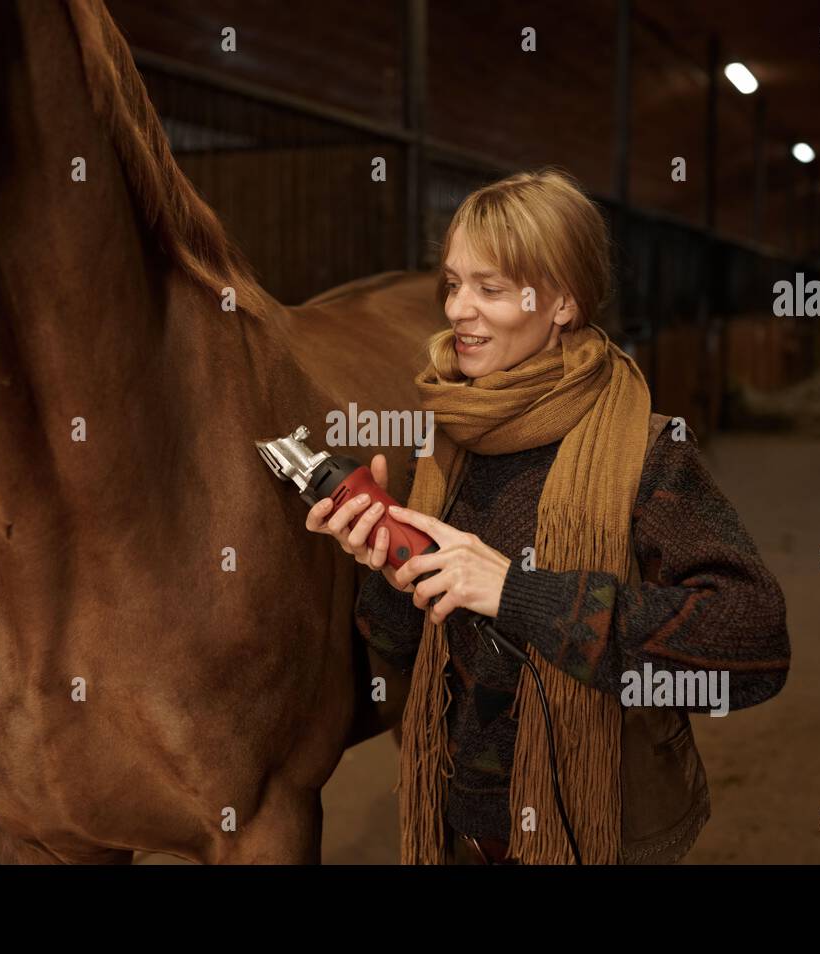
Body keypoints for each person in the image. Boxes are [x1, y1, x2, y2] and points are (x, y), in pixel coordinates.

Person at [306, 167, 791, 865]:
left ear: (562, 301)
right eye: (453, 283)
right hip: (464, 823)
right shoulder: (448, 439)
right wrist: (385, 560)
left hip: (600, 828)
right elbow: (403, 648)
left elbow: (754, 643)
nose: (457, 310)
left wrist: (517, 593)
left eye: (490, 288)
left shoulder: (648, 453)